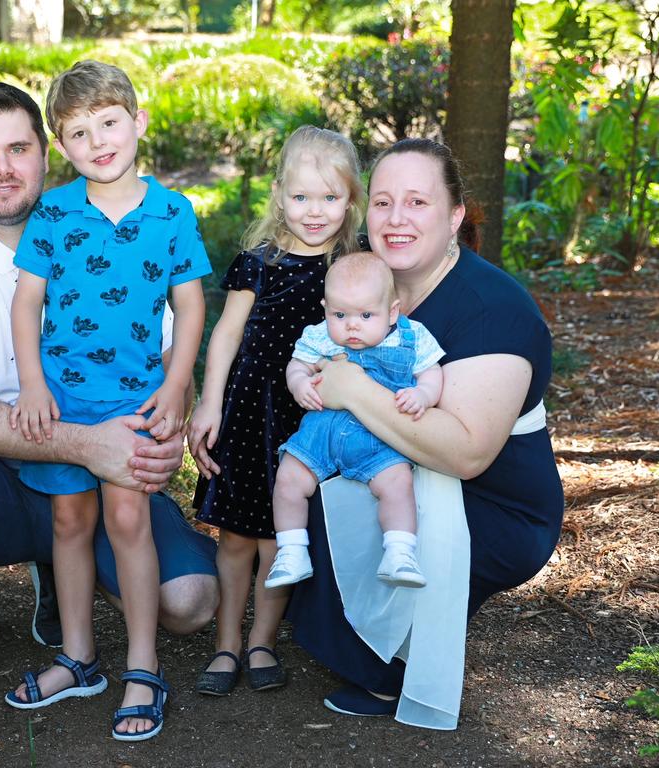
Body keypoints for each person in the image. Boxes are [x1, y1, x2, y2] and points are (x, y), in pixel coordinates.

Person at [0, 81, 218, 712]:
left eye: (18, 147)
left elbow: (177, 340)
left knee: (190, 603)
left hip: (116, 434)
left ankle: (94, 598)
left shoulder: (141, 220)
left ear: (45, 152)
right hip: (3, 471)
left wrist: (168, 417)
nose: (4, 168)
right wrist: (88, 445)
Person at [287, 138, 564, 718]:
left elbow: (467, 456)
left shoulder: (495, 312)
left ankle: (393, 661)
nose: (396, 219)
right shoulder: (366, 285)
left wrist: (351, 388)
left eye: (417, 202)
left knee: (359, 513)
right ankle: (365, 641)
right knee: (301, 480)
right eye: (383, 202)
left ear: (455, 215)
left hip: (494, 502)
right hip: (393, 463)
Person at [4, 61, 210, 742]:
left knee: (128, 522)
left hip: (136, 402)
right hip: (63, 402)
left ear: (138, 122)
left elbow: (189, 304)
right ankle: (79, 657)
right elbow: (27, 301)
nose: (98, 141)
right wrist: (33, 384)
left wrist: (177, 386)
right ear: (61, 147)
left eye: (109, 123)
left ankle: (143, 667)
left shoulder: (171, 213)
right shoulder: (55, 213)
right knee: (70, 524)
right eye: (79, 132)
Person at [187, 126, 365, 696]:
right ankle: (226, 645)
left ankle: (263, 639)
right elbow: (225, 335)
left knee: (280, 538)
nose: (315, 212)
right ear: (279, 194)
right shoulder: (257, 262)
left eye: (330, 198)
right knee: (237, 536)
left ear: (352, 201)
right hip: (247, 408)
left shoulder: (351, 266)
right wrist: (208, 402)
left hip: (309, 414)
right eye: (302, 197)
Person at [265, 251, 443, 591]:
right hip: (321, 432)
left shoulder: (412, 337)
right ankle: (290, 551)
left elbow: (431, 374)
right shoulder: (319, 336)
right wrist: (299, 382)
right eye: (339, 314)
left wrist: (423, 395)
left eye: (365, 314)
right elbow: (298, 365)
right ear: (325, 309)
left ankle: (400, 551)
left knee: (398, 483)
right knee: (288, 479)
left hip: (378, 437)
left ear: (392, 311)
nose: (352, 325)